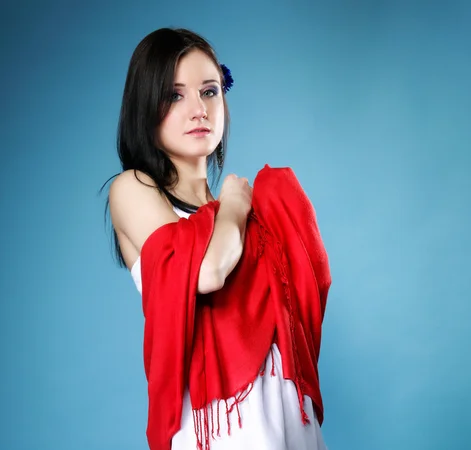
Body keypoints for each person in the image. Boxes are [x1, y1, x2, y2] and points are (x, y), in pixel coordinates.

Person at [105, 28, 331, 450]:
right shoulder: (133, 188)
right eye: (174, 96)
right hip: (220, 424)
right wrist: (231, 206)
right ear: (144, 106)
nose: (198, 110)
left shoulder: (250, 211)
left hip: (285, 415)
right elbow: (208, 271)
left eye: (209, 91)